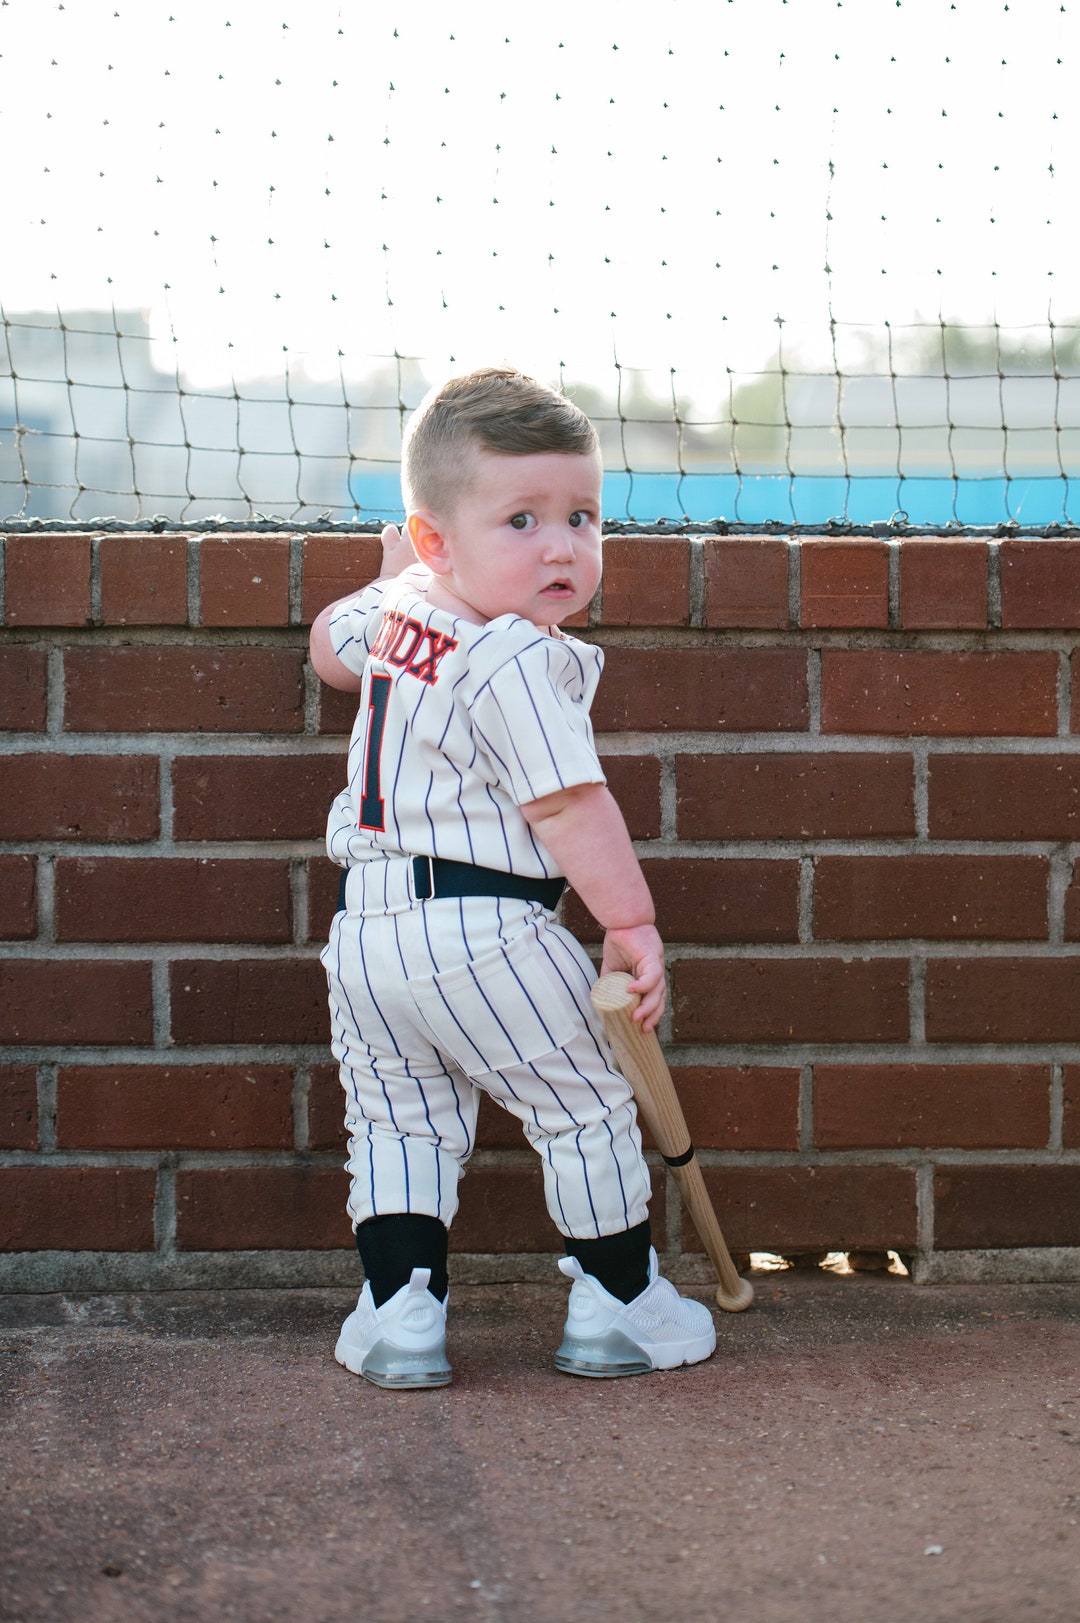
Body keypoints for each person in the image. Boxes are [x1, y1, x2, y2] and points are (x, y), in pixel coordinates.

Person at [309, 367, 716, 1387]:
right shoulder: (513, 655)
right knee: (583, 1108)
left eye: (581, 517)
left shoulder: (404, 614)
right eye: (521, 520)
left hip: (366, 935)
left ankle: (400, 1315)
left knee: (398, 1120)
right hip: (483, 927)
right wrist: (631, 922)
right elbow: (569, 803)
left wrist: (397, 571)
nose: (560, 547)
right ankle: (618, 1306)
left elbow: (327, 649)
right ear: (442, 536)